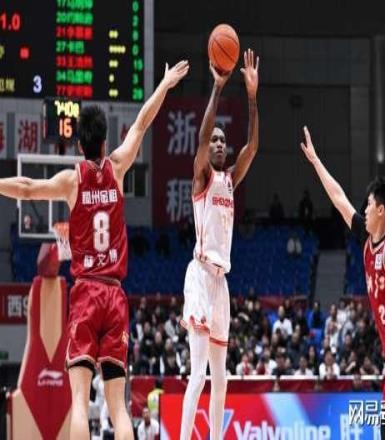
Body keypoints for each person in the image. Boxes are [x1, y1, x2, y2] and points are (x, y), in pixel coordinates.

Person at [0, 60, 189, 439]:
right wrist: (165, 85)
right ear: (105, 142)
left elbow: (27, 189)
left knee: (78, 402)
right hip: (115, 295)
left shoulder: (71, 180)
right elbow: (142, 122)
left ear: (79, 144)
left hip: (86, 293)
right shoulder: (117, 168)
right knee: (118, 406)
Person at [300, 126, 385, 440]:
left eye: (369, 204)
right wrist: (316, 162)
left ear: (381, 210)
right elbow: (339, 199)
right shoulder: (366, 236)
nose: (363, 208)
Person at [179, 49, 259, 440]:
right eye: (214, 140)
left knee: (221, 378)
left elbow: (253, 147)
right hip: (199, 276)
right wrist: (217, 87)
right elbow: (201, 134)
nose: (219, 144)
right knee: (197, 375)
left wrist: (252, 96)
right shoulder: (202, 177)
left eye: (223, 140)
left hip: (221, 283)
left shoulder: (229, 179)